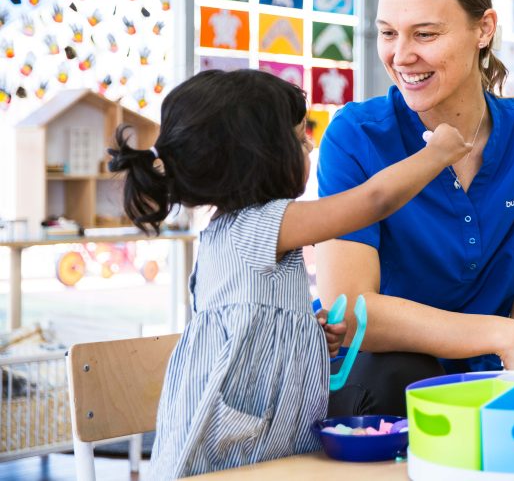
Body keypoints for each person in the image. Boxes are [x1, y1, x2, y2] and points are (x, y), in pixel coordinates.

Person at [106, 69, 469, 478]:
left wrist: (304, 332)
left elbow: (253, 326)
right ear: (258, 158)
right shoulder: (260, 226)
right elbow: (373, 199)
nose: (310, 145)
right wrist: (436, 154)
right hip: (231, 453)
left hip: (263, 441)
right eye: (299, 139)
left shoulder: (234, 231)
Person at [315, 0, 514, 416]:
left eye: (425, 34)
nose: (400, 55)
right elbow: (348, 307)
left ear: (484, 29)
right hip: (385, 388)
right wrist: (502, 334)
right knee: (401, 376)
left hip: (490, 377)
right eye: (388, 33)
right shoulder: (355, 137)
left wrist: (511, 382)